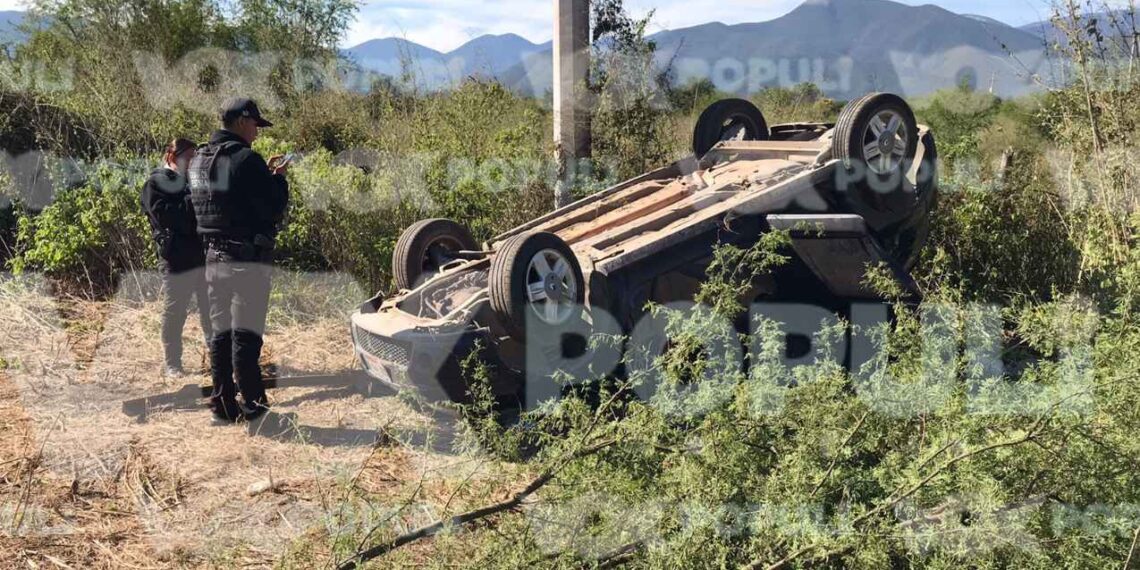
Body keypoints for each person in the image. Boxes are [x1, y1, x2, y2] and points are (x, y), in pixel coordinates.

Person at [188, 98, 290, 423]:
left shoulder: (199, 159)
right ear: (243, 122)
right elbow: (273, 206)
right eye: (256, 126)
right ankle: (256, 411)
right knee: (246, 337)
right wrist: (278, 179)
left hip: (212, 256)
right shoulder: (247, 159)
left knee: (220, 334)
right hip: (246, 259)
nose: (257, 134)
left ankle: (223, 406)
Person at [141, 138, 212, 377]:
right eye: (188, 157)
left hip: (203, 254)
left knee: (210, 309)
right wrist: (195, 196)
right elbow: (169, 217)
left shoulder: (195, 181)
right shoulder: (156, 182)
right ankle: (173, 363)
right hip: (176, 257)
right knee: (175, 311)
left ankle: (217, 360)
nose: (192, 162)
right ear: (172, 156)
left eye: (195, 157)